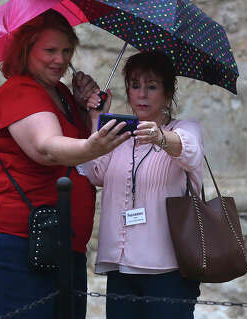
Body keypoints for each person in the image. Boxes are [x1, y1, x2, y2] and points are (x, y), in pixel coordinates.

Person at [0, 9, 131, 319]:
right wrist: (91, 144)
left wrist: (91, 113)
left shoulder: (62, 94)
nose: (60, 59)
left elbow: (86, 168)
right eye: (50, 50)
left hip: (58, 243)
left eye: (67, 50)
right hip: (14, 243)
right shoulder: (20, 91)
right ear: (26, 50)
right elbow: (47, 149)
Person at [83, 51, 204, 319]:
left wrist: (160, 137)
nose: (142, 94)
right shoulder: (119, 133)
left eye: (151, 86)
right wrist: (96, 120)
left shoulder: (185, 128)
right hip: (120, 266)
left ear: (168, 93)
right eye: (135, 86)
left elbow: (191, 150)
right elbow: (94, 173)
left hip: (168, 269)